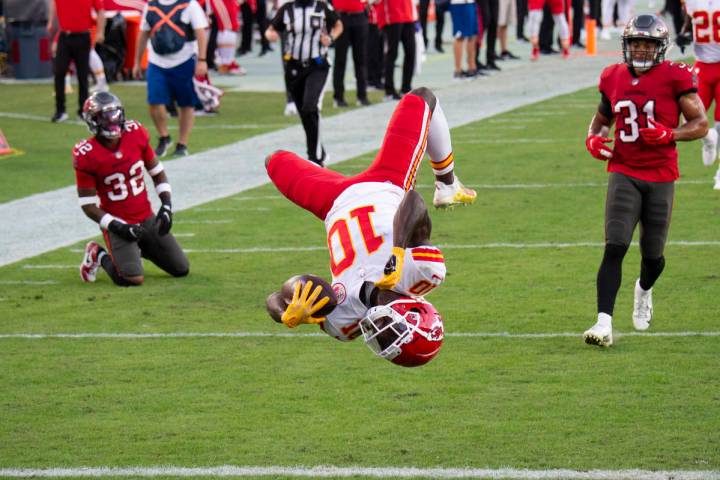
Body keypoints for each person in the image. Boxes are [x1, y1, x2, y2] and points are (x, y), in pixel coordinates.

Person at [264, 87, 476, 365]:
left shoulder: (342, 321)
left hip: (332, 202)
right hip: (388, 181)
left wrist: (286, 313)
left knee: (274, 160)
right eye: (392, 334)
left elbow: (274, 297)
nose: (378, 335)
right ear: (411, 311)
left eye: (383, 343)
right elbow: (414, 202)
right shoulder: (423, 273)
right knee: (422, 98)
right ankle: (448, 184)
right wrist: (399, 252)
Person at [582, 15, 708, 347]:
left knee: (653, 256)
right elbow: (600, 120)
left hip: (661, 174)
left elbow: (701, 123)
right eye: (635, 43)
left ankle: (644, 289)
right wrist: (593, 140)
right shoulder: (612, 77)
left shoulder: (674, 77)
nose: (640, 49)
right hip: (624, 170)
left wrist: (671, 133)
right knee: (615, 246)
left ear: (659, 48)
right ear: (627, 46)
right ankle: (603, 323)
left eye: (647, 44)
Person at [74, 92, 190, 286]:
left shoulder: (135, 132)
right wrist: (117, 226)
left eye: (115, 115)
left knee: (181, 268)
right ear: (93, 121)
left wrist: (167, 206)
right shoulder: (86, 153)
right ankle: (98, 254)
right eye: (105, 117)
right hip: (118, 222)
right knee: (131, 278)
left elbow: (157, 171)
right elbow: (87, 205)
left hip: (146, 217)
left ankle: (139, 248)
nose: (112, 122)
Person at [265, 0, 343, 166]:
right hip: (293, 67)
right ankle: (318, 151)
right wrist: (270, 35)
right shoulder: (287, 9)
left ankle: (315, 158)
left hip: (317, 65)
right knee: (304, 112)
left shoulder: (322, 7)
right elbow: (272, 29)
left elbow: (338, 25)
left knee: (310, 107)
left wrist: (331, 37)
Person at [133, 0, 209, 157]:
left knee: (186, 103)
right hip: (156, 60)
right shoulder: (151, 5)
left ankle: (182, 143)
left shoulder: (190, 5)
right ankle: (163, 137)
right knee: (154, 101)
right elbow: (143, 33)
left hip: (184, 59)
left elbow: (200, 32)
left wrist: (202, 60)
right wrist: (137, 61)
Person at [678, 2, 720, 189]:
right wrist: (683, 36)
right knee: (690, 117)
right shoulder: (692, 2)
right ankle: (708, 138)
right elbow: (688, 24)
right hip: (702, 66)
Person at [47, 0, 106, 123]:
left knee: (82, 76)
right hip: (64, 36)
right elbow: (54, 4)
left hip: (83, 36)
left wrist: (100, 32)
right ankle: (60, 111)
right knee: (59, 73)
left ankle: (83, 111)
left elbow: (100, 11)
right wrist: (51, 21)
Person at [332, 0, 370, 107]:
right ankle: (338, 98)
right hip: (341, 17)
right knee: (340, 60)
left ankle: (362, 96)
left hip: (359, 16)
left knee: (361, 60)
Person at [378, 0, 416, 99]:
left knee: (411, 52)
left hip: (407, 14)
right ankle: (389, 91)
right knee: (392, 54)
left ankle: (406, 88)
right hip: (392, 16)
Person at [449, 0, 479, 78]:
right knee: (459, 36)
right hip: (459, 4)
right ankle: (458, 70)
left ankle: (471, 67)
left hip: (470, 3)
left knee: (472, 34)